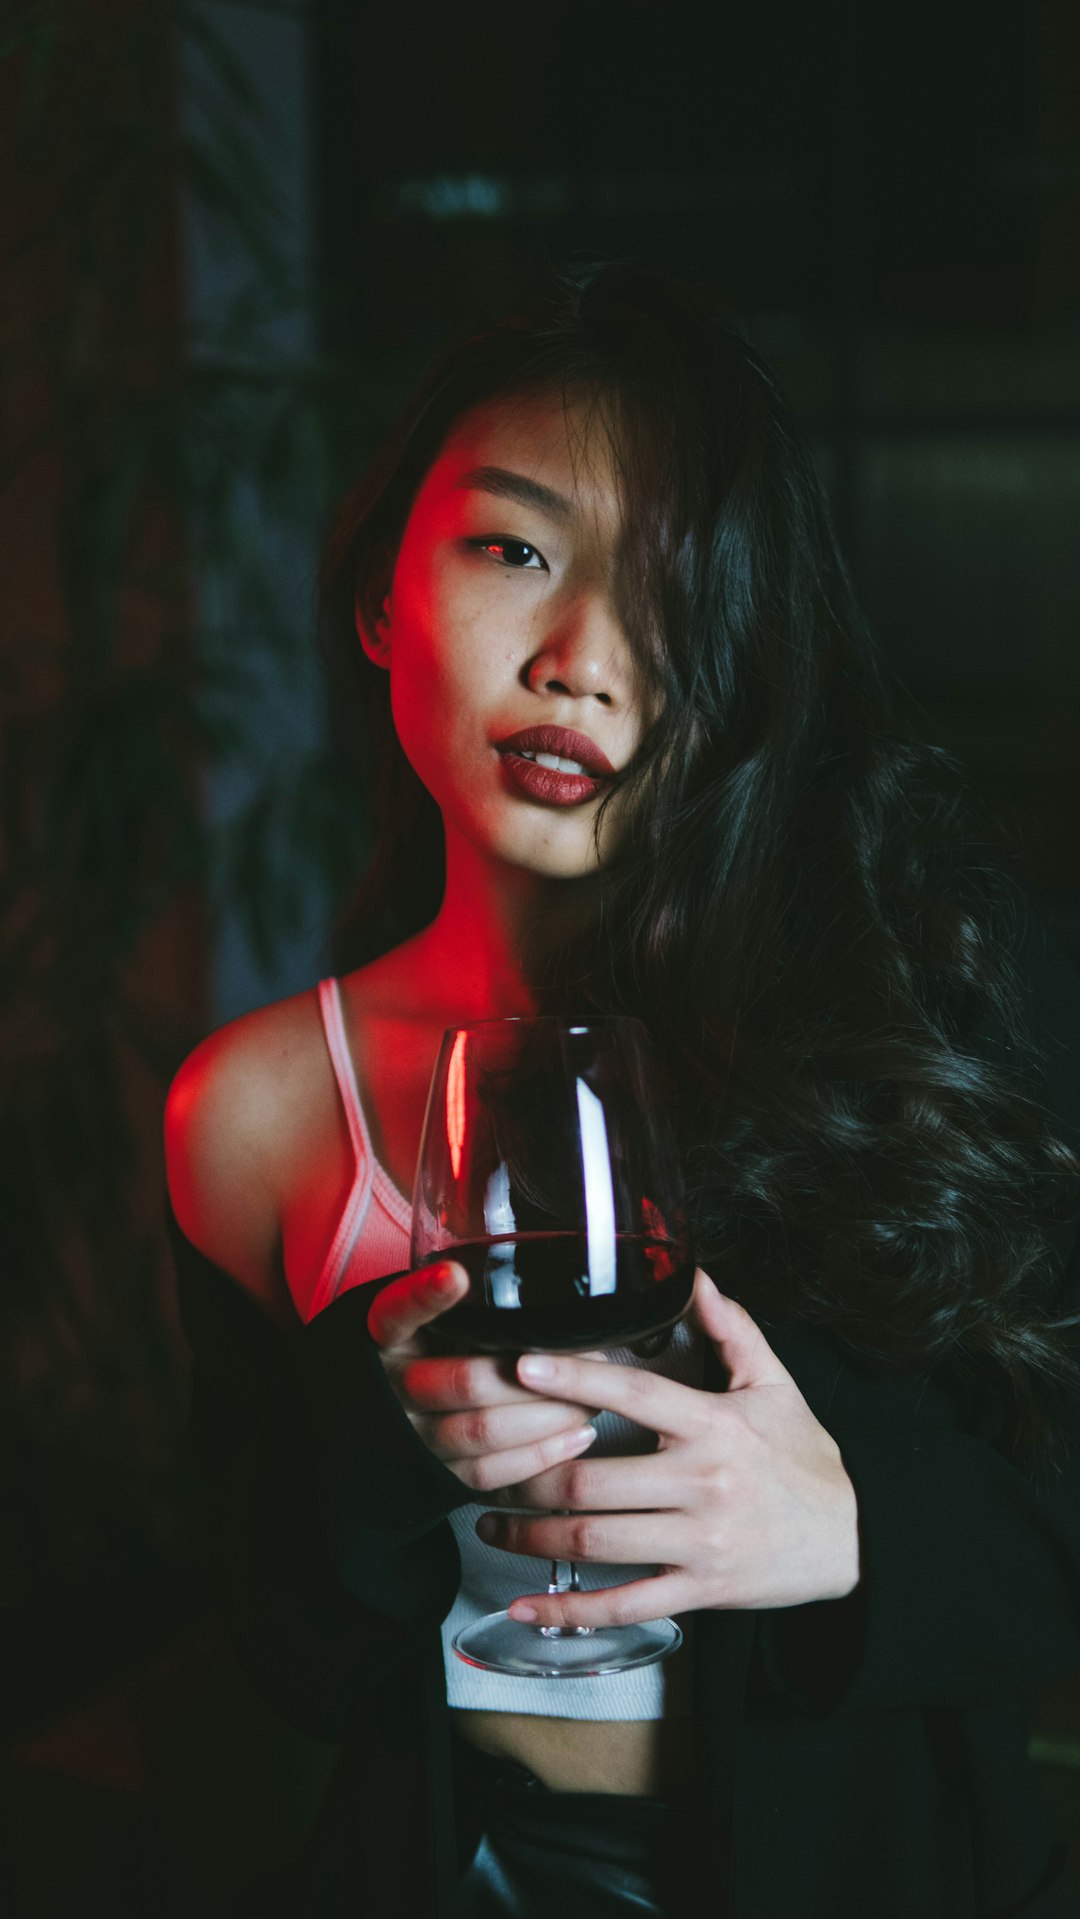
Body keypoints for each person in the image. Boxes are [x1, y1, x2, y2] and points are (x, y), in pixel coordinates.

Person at [164, 261, 1080, 1918]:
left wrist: (846, 1530)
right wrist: (389, 1441)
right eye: (512, 549)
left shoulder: (929, 989)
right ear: (381, 593)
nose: (582, 657)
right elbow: (284, 1651)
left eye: (670, 600)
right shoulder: (250, 1112)